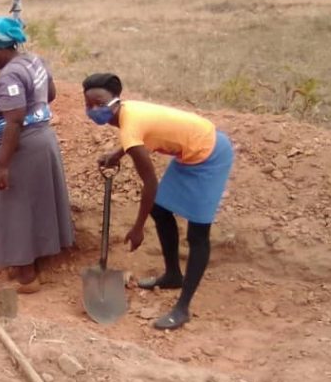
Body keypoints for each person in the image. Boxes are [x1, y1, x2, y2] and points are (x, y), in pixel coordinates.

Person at [82, 73, 235, 330]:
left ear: (116, 101)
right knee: (160, 209)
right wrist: (116, 154)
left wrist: (138, 227)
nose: (93, 109)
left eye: (99, 102)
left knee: (198, 235)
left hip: (209, 154)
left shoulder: (129, 125)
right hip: (189, 151)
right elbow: (141, 136)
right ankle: (173, 275)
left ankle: (183, 308)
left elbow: (149, 182)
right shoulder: (126, 114)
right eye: (88, 104)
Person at [0, 16, 73, 292]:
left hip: (22, 148)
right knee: (37, 206)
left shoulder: (10, 75)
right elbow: (50, 93)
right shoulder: (32, 60)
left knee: (15, 209)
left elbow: (14, 121)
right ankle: (35, 264)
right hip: (44, 140)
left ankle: (27, 277)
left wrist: (3, 165)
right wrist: (34, 107)